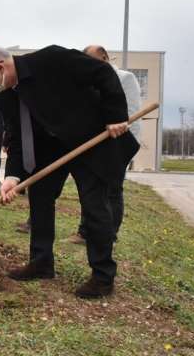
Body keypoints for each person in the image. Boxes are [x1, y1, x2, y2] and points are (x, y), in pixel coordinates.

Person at [0, 45, 139, 299]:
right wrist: (12, 178)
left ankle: (102, 277)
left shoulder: (52, 59)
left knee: (95, 207)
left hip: (88, 141)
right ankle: (41, 263)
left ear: (0, 67)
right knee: (39, 199)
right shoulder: (6, 96)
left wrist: (115, 115)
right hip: (49, 151)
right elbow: (17, 138)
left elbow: (103, 73)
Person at [67, 45, 142, 245]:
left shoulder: (125, 78)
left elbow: (133, 113)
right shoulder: (90, 80)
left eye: (93, 60)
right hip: (95, 143)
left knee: (113, 189)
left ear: (105, 57)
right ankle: (85, 232)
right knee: (91, 188)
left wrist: (127, 149)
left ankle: (110, 234)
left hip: (119, 143)